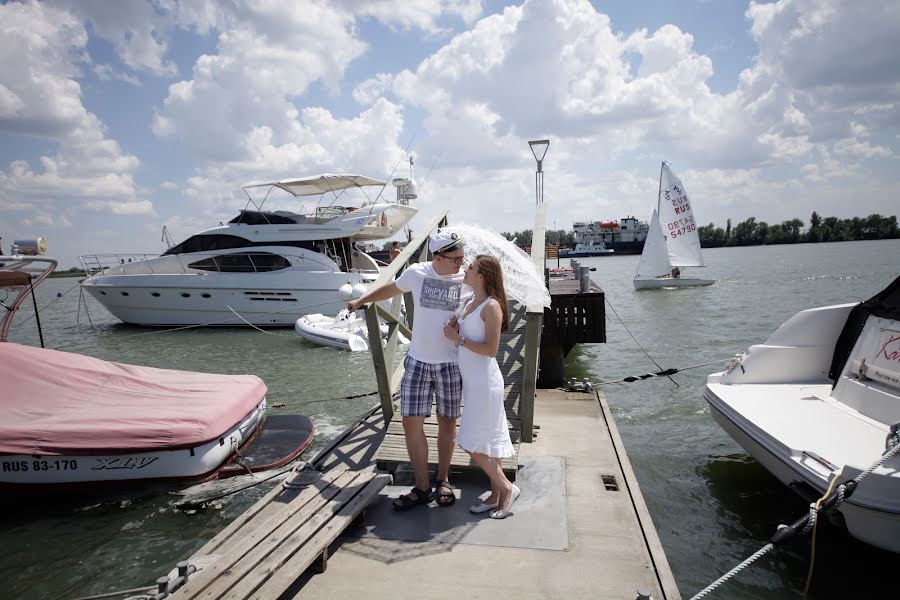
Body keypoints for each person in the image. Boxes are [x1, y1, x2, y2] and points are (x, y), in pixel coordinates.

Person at [348, 231, 469, 510]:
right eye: (455, 258)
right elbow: (391, 289)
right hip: (417, 361)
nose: (461, 263)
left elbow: (488, 302)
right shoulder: (417, 273)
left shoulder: (468, 278)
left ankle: (443, 479)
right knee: (410, 423)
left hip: (451, 364)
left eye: (463, 257)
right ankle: (422, 486)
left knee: (446, 424)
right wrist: (362, 300)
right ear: (437, 257)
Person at [443, 254, 519, 519]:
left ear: (482, 276)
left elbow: (490, 350)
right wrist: (456, 327)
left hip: (485, 383)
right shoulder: (469, 301)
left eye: (471, 267)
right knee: (485, 440)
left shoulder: (492, 306)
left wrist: (459, 339)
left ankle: (507, 488)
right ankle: (495, 496)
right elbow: (465, 333)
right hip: (473, 382)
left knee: (470, 442)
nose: (465, 269)